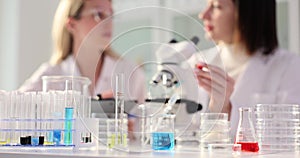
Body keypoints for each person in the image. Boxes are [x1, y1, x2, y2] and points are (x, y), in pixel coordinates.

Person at [188, 0, 300, 137]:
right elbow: (185, 132)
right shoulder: (197, 62)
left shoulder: (288, 66)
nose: (203, 15)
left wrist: (227, 110)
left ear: (247, 13)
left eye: (216, 7)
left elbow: (288, 140)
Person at [18, 0, 146, 103]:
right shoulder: (50, 78)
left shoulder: (131, 74)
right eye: (99, 14)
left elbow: (144, 129)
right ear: (72, 24)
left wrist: (129, 132)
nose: (109, 23)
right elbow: (12, 112)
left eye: (111, 16)